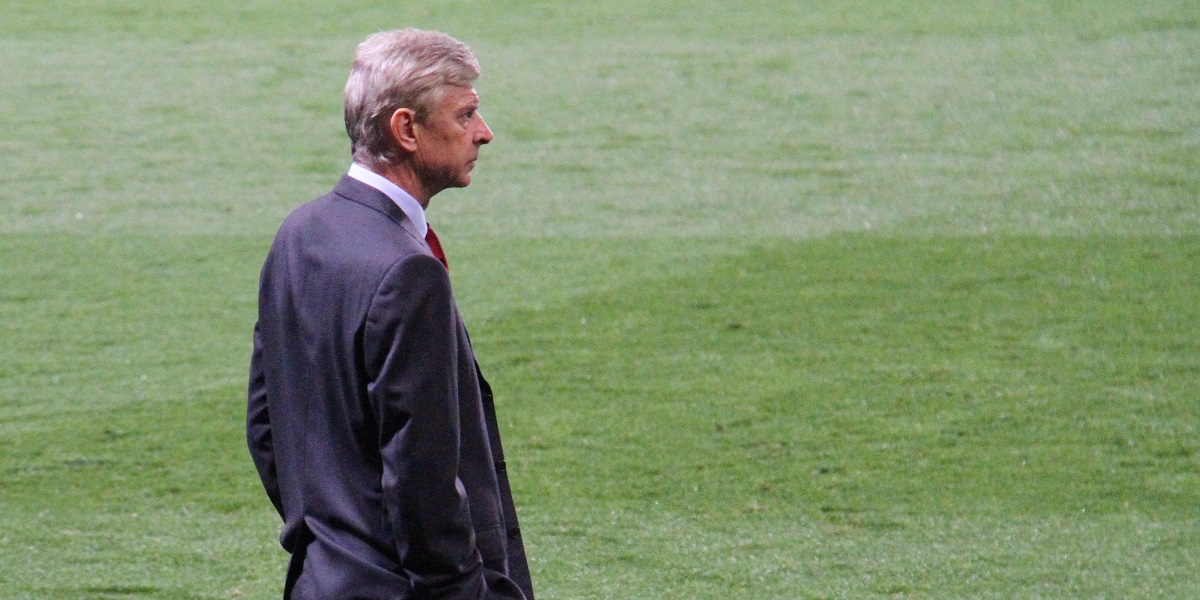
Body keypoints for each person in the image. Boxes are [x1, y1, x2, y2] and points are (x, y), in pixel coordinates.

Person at [246, 28, 534, 600]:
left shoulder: (300, 233)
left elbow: (266, 425)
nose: (484, 132)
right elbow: (423, 478)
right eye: (465, 114)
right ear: (406, 130)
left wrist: (334, 544)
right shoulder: (408, 271)